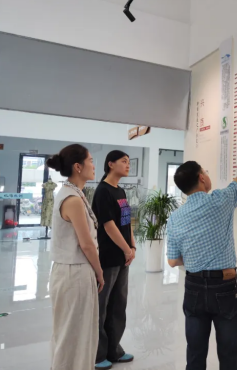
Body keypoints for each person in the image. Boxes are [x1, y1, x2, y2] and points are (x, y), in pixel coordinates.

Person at [167, 137, 237, 370]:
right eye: (206, 172)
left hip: (193, 287)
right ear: (201, 178)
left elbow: (172, 261)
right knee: (229, 355)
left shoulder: (175, 217)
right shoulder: (221, 200)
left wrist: (194, 256)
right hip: (225, 287)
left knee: (195, 354)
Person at [47, 144, 104, 370]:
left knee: (74, 333)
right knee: (73, 335)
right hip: (74, 272)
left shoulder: (74, 193)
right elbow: (87, 244)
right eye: (90, 161)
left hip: (72, 270)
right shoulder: (72, 199)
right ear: (78, 167)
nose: (94, 165)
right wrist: (99, 272)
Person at [93, 151, 136, 370]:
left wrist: (132, 246)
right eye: (123, 161)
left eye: (128, 162)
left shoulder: (121, 190)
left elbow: (127, 221)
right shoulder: (103, 191)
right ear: (110, 164)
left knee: (119, 304)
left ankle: (114, 350)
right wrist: (126, 249)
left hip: (123, 256)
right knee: (102, 307)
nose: (128, 165)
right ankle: (98, 354)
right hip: (109, 257)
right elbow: (108, 225)